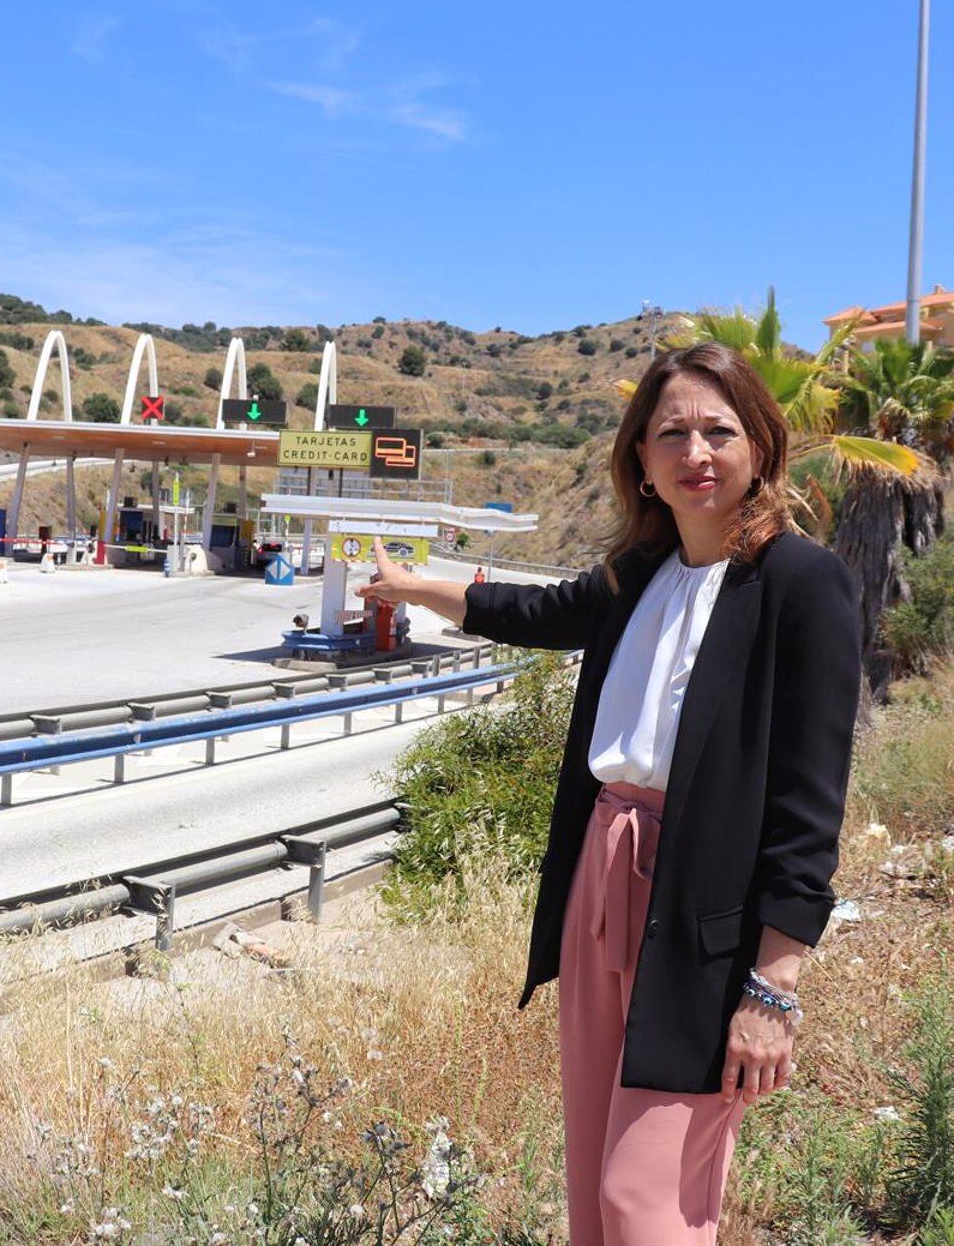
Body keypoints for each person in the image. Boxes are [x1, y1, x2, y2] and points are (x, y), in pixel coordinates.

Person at [356, 341, 862, 1245]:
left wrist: (774, 989)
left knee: (648, 1198)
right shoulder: (641, 575)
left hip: (706, 909)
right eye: (672, 433)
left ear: (760, 445)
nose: (696, 453)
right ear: (641, 459)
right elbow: (539, 612)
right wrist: (416, 586)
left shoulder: (801, 584)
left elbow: (809, 809)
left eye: (719, 430)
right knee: (592, 1190)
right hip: (602, 876)